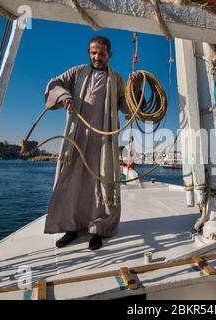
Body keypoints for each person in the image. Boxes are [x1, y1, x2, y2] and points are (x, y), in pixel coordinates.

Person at [43, 36, 140, 250]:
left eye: (102, 53)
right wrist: (64, 96)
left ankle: (99, 229)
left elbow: (126, 107)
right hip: (76, 138)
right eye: (93, 53)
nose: (97, 57)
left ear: (109, 55)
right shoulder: (76, 72)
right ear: (89, 53)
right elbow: (54, 84)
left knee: (101, 183)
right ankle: (71, 227)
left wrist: (136, 89)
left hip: (103, 140)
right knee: (71, 181)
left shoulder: (117, 79)